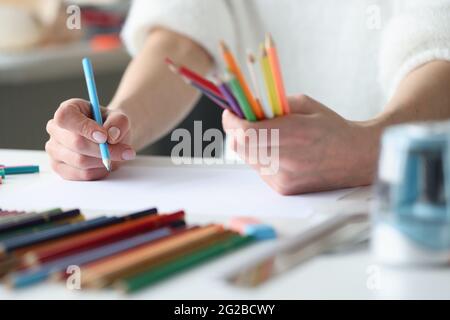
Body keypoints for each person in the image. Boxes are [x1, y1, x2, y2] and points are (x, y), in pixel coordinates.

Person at [45, 0, 450, 194]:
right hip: (250, 197)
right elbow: (181, 36)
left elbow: (437, 45)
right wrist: (117, 124)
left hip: (406, 193)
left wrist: (373, 148)